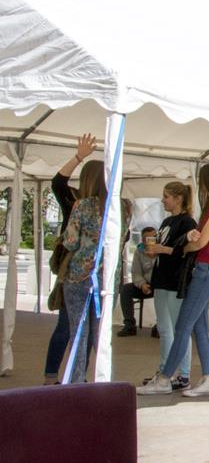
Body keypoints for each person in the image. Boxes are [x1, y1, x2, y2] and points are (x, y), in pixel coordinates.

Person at [137, 164, 209, 397]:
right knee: (198, 327)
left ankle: (165, 378)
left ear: (208, 181)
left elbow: (200, 243)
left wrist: (185, 246)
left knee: (182, 327)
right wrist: (190, 241)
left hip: (205, 272)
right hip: (206, 271)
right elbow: (201, 239)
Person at [43, 134, 97, 384]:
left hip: (93, 275)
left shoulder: (110, 205)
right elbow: (57, 183)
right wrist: (78, 157)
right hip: (73, 273)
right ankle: (51, 377)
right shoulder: (75, 200)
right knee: (67, 327)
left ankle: (78, 378)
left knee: (86, 331)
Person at [141, 182, 198, 390]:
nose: (163, 200)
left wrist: (162, 250)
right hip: (161, 279)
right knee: (164, 328)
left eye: (166, 196)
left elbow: (186, 251)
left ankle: (183, 374)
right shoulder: (166, 221)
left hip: (176, 281)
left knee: (178, 329)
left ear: (178, 198)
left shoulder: (188, 222)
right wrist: (153, 251)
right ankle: (165, 371)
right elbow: (164, 248)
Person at [61, 159, 112, 383]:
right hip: (107, 276)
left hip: (80, 274)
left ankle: (76, 380)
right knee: (101, 333)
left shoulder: (82, 205)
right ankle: (102, 379)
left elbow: (70, 242)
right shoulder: (122, 207)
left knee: (79, 332)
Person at [116, 227, 156, 337]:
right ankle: (129, 325)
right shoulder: (139, 252)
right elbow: (136, 272)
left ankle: (159, 326)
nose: (151, 241)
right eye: (148, 238)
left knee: (164, 293)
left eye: (153, 238)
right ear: (143, 240)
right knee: (126, 289)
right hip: (144, 284)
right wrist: (142, 284)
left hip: (159, 284)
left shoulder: (162, 250)